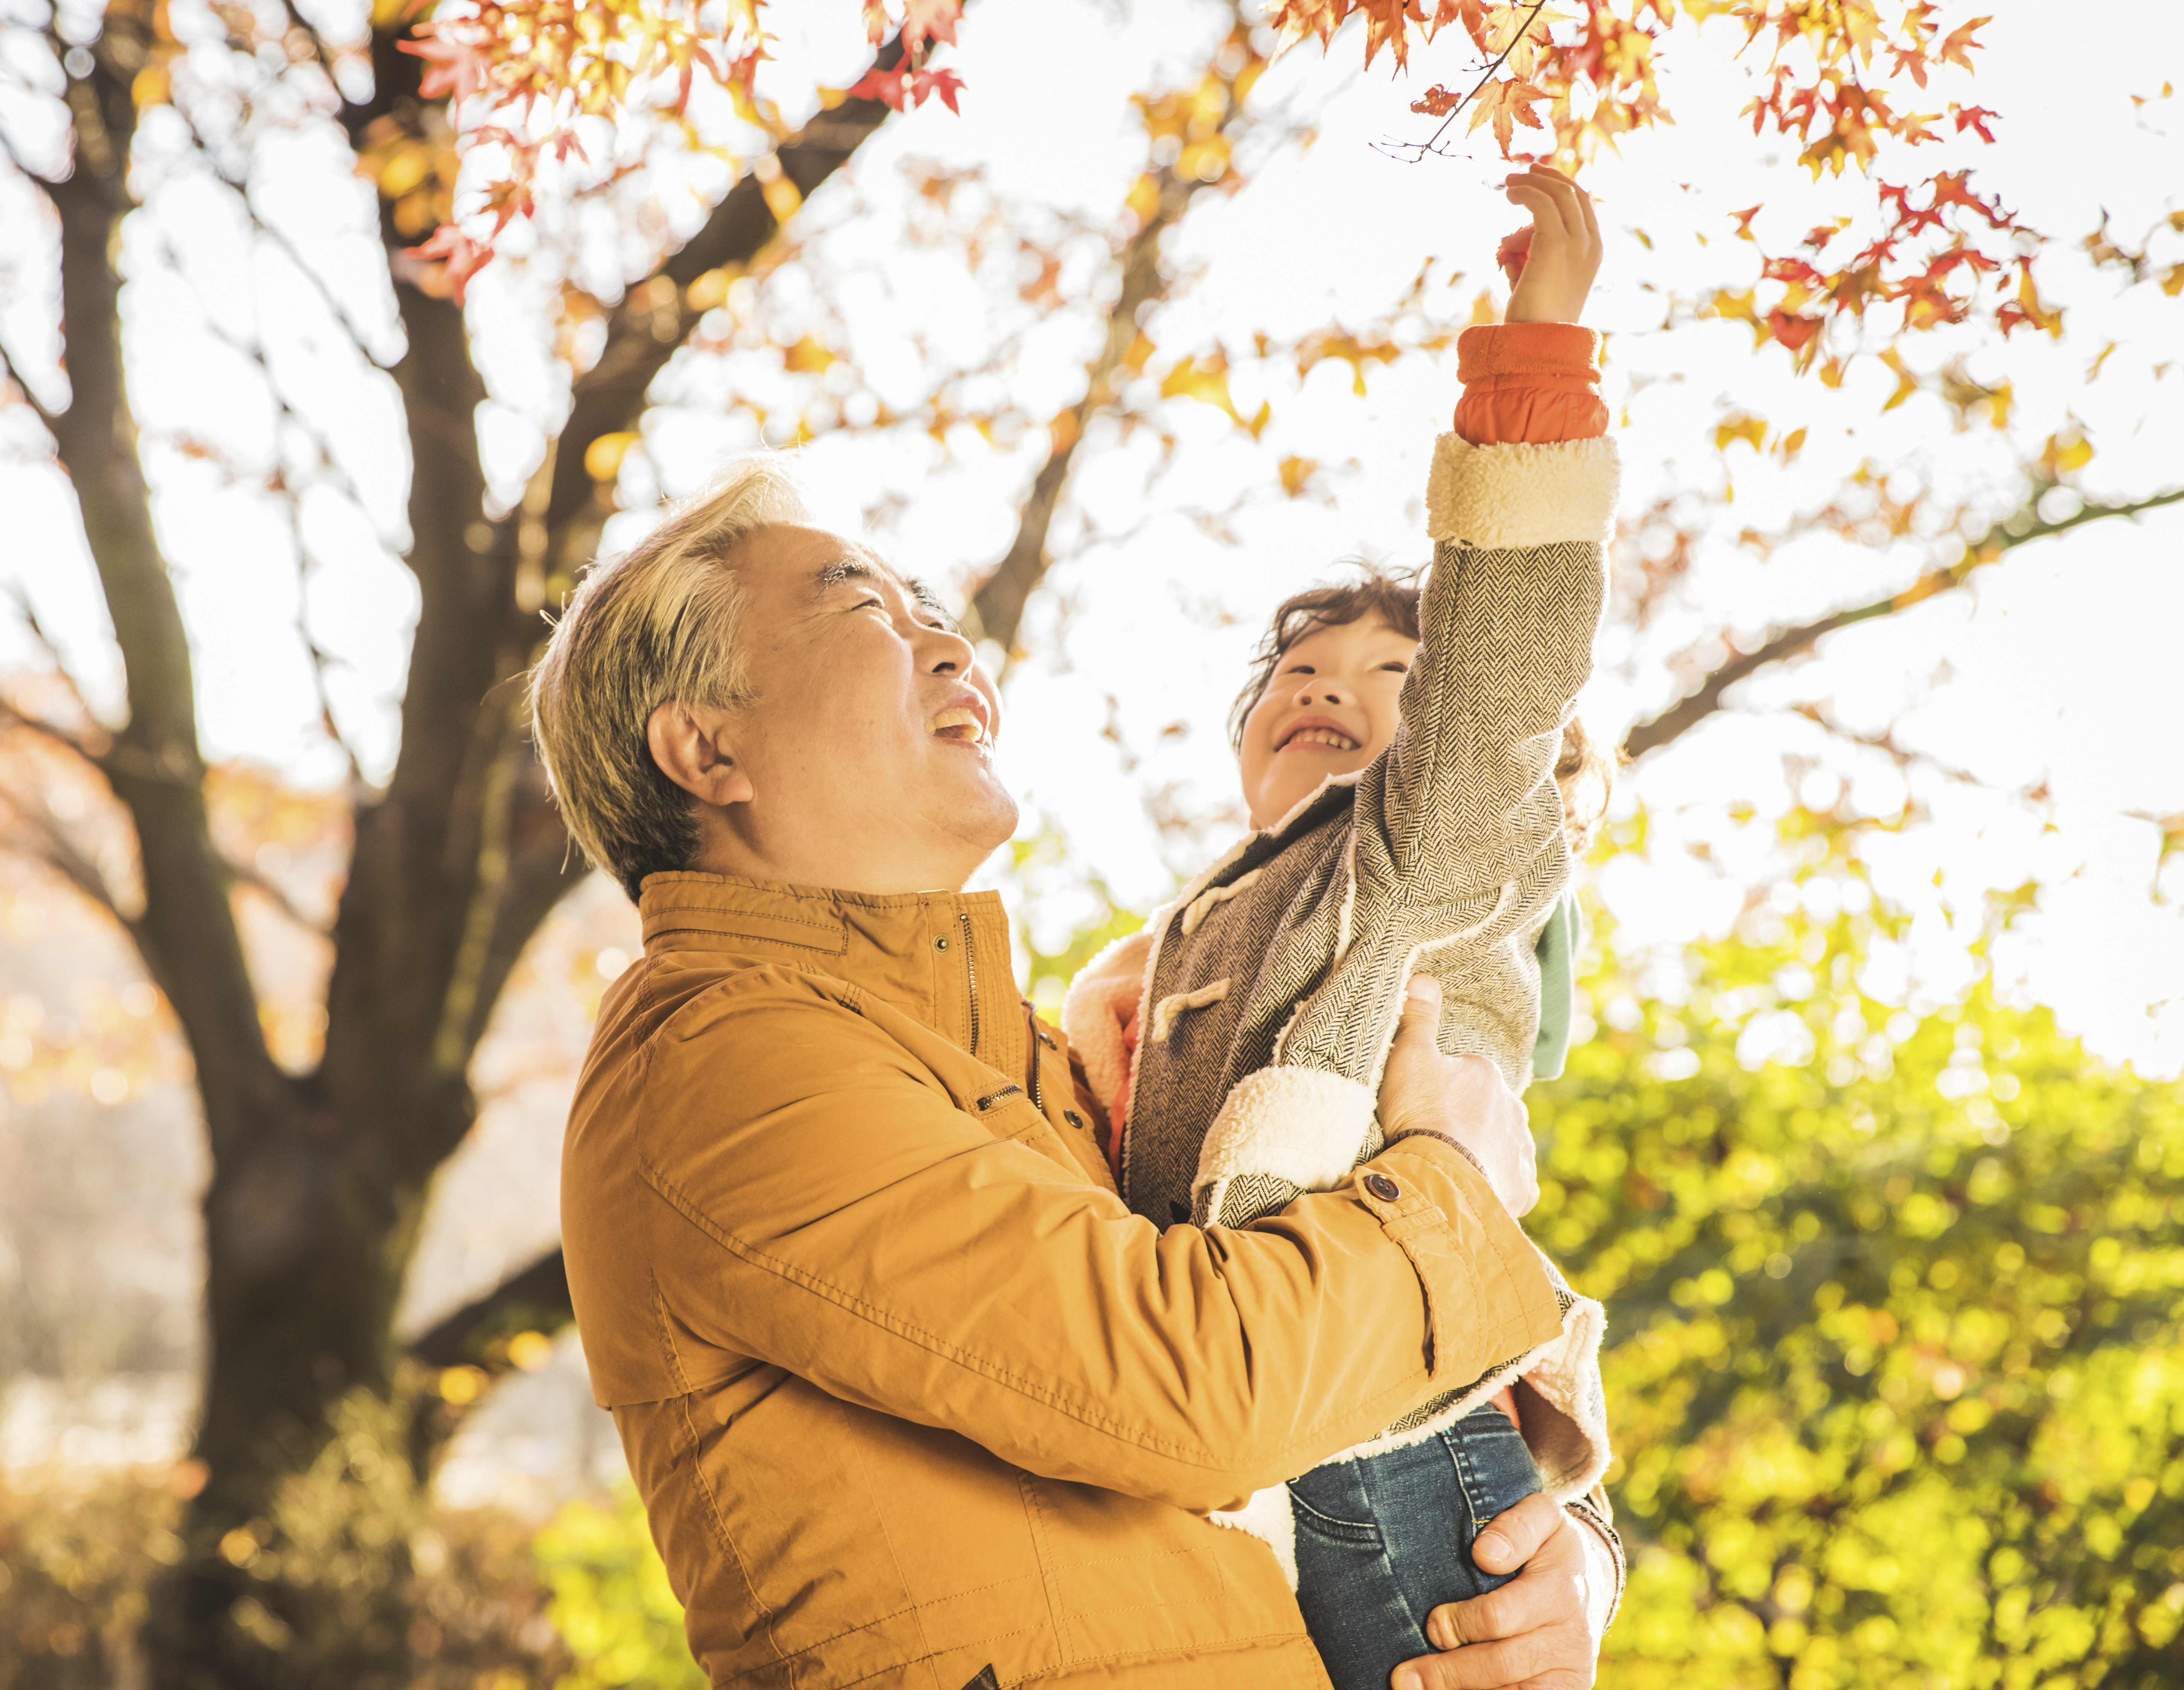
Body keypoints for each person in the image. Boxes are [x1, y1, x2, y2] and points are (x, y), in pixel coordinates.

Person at [529, 184, 1617, 1690]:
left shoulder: (1030, 1063)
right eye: (860, 601)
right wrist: (1455, 1192)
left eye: (927, 602)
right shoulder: (726, 1068)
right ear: (707, 749)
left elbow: (1331, 1409)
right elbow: (1198, 1383)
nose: (947, 637)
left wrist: (1560, 1562)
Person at [1059, 164, 1622, 1690]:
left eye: (1386, 673)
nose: (1324, 685)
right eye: (1295, 671)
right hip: (1248, 1427)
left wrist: (1536, 360)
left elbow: (1498, 687)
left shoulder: (1428, 857)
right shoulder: (1171, 950)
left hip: (1382, 1436)